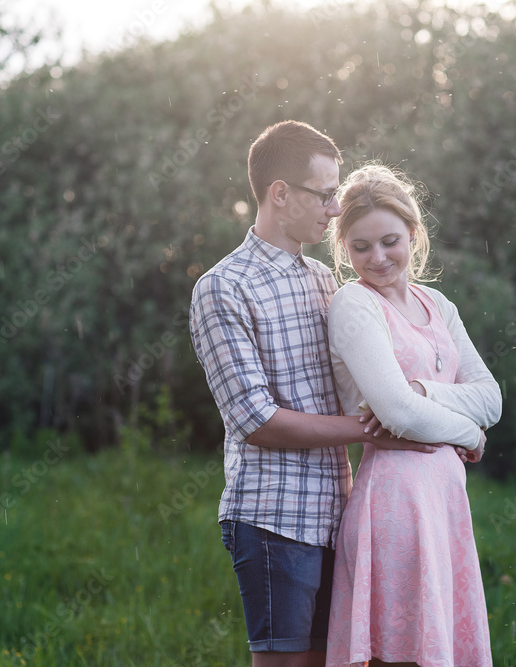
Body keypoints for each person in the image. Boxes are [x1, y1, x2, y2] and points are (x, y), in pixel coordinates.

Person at [189, 122, 441, 667]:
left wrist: (443, 419)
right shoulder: (223, 287)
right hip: (274, 516)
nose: (334, 209)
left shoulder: (325, 280)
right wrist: (384, 431)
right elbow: (258, 422)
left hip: (341, 513)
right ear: (280, 193)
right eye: (325, 194)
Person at [323, 164, 502, 667]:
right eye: (361, 247)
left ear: (414, 234)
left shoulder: (437, 304)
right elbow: (396, 412)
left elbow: (491, 398)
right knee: (399, 657)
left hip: (444, 502)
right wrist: (468, 433)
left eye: (390, 241)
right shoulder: (354, 303)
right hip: (394, 503)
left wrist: (423, 391)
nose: (378, 258)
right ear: (343, 248)